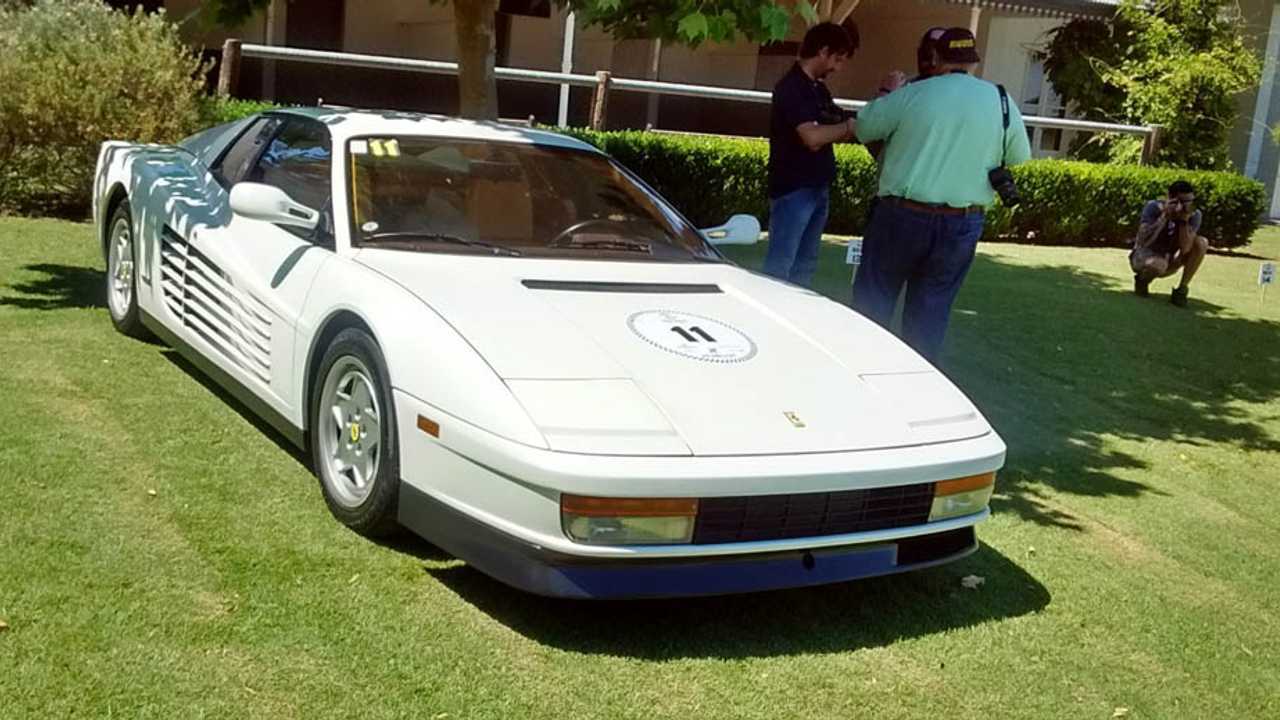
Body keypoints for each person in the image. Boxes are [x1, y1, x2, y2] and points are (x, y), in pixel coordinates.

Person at [850, 27, 1032, 364]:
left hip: (901, 215)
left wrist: (887, 92)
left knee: (873, 305)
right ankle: (917, 384)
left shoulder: (912, 94)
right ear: (974, 62)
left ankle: (861, 371)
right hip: (962, 223)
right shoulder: (1001, 100)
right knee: (930, 315)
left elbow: (863, 127)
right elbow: (1019, 155)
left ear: (936, 57)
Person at [762, 22, 859, 287]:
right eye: (837, 59)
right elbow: (812, 138)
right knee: (780, 266)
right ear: (823, 51)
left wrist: (840, 128)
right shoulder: (791, 87)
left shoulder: (818, 89)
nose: (838, 68)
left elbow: (832, 125)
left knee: (805, 266)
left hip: (817, 186)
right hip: (794, 188)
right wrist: (846, 128)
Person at [1131, 180, 1209, 307]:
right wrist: (1164, 216)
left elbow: (1185, 249)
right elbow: (1143, 241)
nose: (1186, 206)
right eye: (1182, 202)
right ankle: (1142, 281)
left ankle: (1181, 290)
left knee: (1202, 243)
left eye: (1190, 202)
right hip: (1144, 257)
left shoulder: (1194, 215)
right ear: (1170, 197)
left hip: (1170, 260)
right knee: (1158, 265)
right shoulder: (1153, 207)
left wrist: (1183, 220)